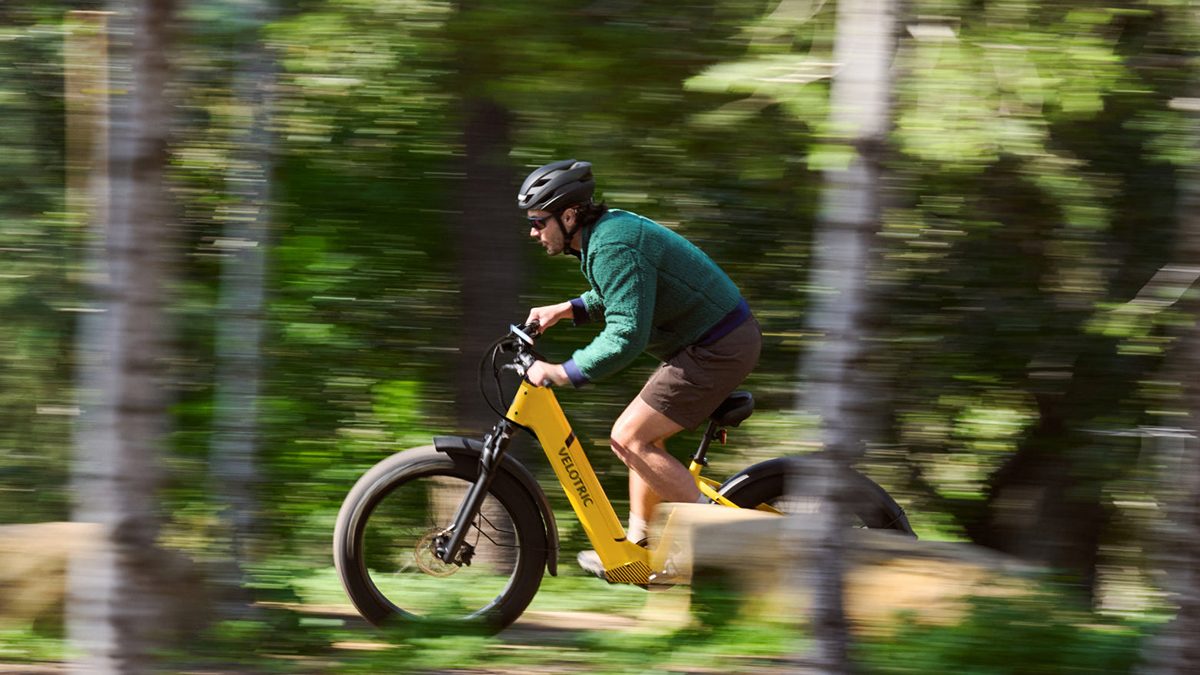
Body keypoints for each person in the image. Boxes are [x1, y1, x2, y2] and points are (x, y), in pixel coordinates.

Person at [517, 159, 762, 578]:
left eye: (540, 221)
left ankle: (724, 544)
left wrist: (561, 372)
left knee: (629, 437)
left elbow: (626, 333)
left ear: (569, 215)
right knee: (638, 437)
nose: (534, 232)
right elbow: (624, 292)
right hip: (705, 343)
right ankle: (641, 545)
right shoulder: (605, 236)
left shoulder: (613, 244)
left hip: (717, 346)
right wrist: (567, 309)